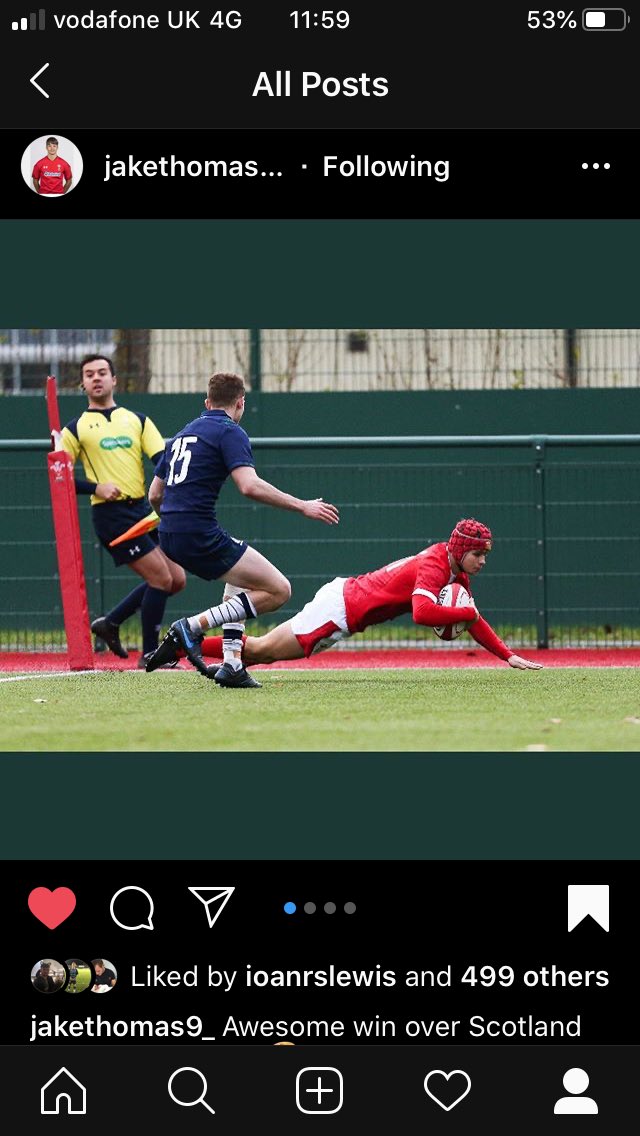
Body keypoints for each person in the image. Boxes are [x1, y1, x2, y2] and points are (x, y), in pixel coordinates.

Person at [157, 518, 543, 678]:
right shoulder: (435, 566)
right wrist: (464, 611)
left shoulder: (450, 565)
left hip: (345, 604)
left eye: (486, 555)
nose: (483, 561)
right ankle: (180, 643)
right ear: (461, 549)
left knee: (260, 652)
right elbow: (424, 613)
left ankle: (181, 645)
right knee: (258, 652)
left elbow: (470, 617)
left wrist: (507, 655)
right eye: (479, 554)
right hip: (341, 608)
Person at [146, 371, 340, 688]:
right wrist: (303, 505)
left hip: (168, 534)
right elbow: (249, 486)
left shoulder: (180, 435)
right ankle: (191, 627)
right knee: (279, 590)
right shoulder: (230, 431)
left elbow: (155, 494)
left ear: (207, 403)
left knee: (241, 580)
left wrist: (173, 521)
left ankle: (233, 664)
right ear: (241, 402)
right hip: (196, 532)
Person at [60, 354, 186, 666]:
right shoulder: (75, 428)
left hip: (144, 510)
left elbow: (162, 459)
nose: (97, 378)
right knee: (160, 579)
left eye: (102, 372)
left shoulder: (137, 420)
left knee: (177, 579)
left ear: (114, 379)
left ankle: (111, 622)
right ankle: (150, 655)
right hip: (111, 515)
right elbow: (58, 476)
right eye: (89, 374)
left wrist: (171, 485)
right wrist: (95, 487)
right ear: (83, 383)